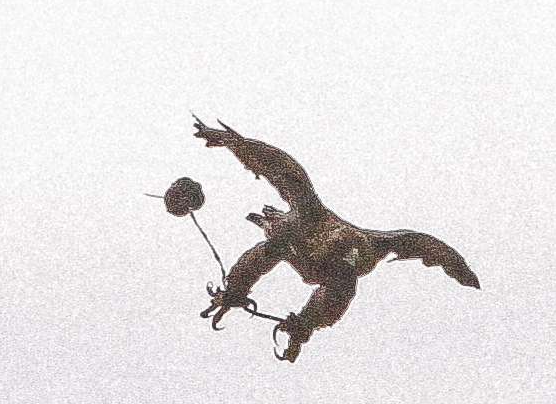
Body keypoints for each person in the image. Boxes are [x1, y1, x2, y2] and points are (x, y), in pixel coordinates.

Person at [191, 118, 481, 361]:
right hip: (299, 241)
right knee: (278, 248)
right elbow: (280, 166)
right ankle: (238, 292)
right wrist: (234, 143)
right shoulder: (305, 212)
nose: (350, 260)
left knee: (336, 279)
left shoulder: (366, 251)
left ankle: (292, 319)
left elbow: (421, 243)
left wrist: (458, 268)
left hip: (315, 258)